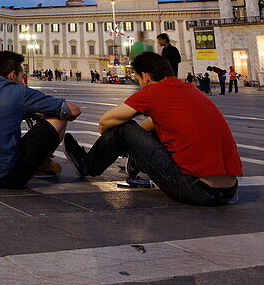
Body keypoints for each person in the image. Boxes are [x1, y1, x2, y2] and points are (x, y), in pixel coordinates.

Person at [63, 51, 242, 206]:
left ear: (146, 76)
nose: (140, 84)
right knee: (143, 129)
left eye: (138, 79)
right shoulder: (189, 89)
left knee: (123, 128)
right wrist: (137, 142)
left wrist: (118, 138)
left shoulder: (153, 92)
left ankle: (86, 165)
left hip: (195, 189)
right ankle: (133, 162)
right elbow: (155, 122)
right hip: (228, 191)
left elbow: (105, 121)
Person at [0, 50, 82, 189]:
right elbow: (74, 110)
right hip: (4, 176)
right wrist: (44, 110)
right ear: (12, 75)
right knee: (59, 118)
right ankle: (43, 165)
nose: (23, 81)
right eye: (22, 76)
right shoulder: (20, 92)